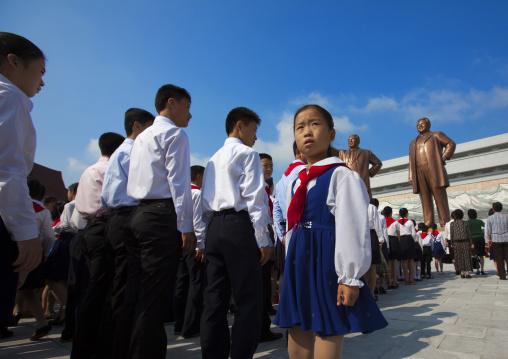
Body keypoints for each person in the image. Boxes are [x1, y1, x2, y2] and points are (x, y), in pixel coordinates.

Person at [274, 104, 387, 358]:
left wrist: (349, 276)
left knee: (327, 325)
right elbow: (292, 224)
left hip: (326, 259)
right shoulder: (297, 180)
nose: (307, 132)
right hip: (299, 258)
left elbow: (352, 226)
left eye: (315, 124)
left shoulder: (342, 176)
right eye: (299, 127)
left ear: (332, 133)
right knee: (297, 323)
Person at [126, 84, 196, 359]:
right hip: (160, 216)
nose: (190, 116)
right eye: (188, 108)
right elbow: (179, 183)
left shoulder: (141, 138)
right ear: (172, 103)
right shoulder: (175, 134)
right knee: (155, 298)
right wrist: (186, 226)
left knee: (136, 294)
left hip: (137, 216)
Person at [200, 107, 272, 359]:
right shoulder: (247, 154)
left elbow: (204, 205)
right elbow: (255, 199)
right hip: (238, 227)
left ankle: (213, 355)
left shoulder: (212, 159)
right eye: (254, 130)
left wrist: (202, 239)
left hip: (214, 229)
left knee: (214, 300)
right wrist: (263, 238)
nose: (255, 137)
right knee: (248, 299)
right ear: (239, 126)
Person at [0, 32, 46, 339]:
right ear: (14, 62)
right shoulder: (11, 96)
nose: (42, 83)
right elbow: (7, 170)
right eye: (40, 72)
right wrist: (27, 233)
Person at [99, 108, 154, 358]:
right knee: (128, 287)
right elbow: (145, 187)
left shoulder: (117, 153)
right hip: (128, 216)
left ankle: (113, 343)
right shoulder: (133, 150)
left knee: (119, 286)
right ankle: (120, 347)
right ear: (137, 127)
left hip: (115, 219)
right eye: (150, 127)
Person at [71, 132, 125, 359]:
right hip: (105, 227)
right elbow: (114, 199)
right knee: (101, 291)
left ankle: (84, 343)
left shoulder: (87, 171)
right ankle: (93, 346)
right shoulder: (109, 169)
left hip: (88, 229)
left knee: (92, 288)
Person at [172, 165, 207, 339]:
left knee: (181, 282)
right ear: (199, 177)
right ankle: (192, 325)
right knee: (197, 283)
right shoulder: (197, 194)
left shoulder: (181, 195)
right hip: (194, 244)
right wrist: (201, 244)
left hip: (180, 243)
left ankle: (179, 323)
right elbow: (198, 221)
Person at [408, 117, 456, 227]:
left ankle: (444, 222)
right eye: (418, 124)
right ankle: (428, 223)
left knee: (439, 197)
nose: (420, 126)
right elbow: (411, 161)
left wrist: (442, 158)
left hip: (433, 169)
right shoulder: (412, 143)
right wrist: (411, 175)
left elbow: (450, 144)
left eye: (422, 124)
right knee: (425, 198)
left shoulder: (436, 135)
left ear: (428, 125)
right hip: (419, 171)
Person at [272, 141, 307, 289]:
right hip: (306, 227)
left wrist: (282, 235)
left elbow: (276, 210)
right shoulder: (305, 171)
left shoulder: (281, 179)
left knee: (291, 272)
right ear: (299, 151)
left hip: (289, 229)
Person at [45, 182, 80, 327]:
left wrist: (52, 229)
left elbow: (66, 224)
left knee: (51, 277)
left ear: (72, 191)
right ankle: (63, 312)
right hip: (77, 240)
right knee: (65, 279)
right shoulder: (86, 203)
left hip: (65, 240)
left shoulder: (70, 205)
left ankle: (66, 308)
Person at [332, 134, 382, 198]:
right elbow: (329, 149)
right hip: (347, 183)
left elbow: (378, 164)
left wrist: (368, 173)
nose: (350, 141)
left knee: (363, 201)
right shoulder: (342, 153)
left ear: (358, 141)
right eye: (348, 140)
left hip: (362, 183)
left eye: (352, 139)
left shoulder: (366, 153)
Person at [366, 198, 384, 298]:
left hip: (360, 236)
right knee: (373, 266)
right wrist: (380, 239)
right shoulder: (371, 207)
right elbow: (377, 224)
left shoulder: (355, 204)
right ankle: (371, 293)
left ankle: (366, 294)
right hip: (371, 235)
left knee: (364, 265)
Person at [486, 202, 508, 280]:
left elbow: (488, 230)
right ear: (501, 208)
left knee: (499, 258)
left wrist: (489, 239)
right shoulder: (506, 216)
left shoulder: (490, 218)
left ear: (494, 209)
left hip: (496, 239)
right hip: (506, 238)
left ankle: (502, 275)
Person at [450, 209, 473, 278]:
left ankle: (462, 273)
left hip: (456, 242)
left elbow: (452, 234)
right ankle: (467, 272)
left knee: (459, 257)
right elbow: (469, 233)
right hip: (465, 241)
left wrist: (452, 242)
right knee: (466, 256)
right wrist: (471, 242)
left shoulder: (452, 224)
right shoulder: (465, 223)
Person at [381, 206, 400, 289]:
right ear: (391, 213)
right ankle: (394, 282)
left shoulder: (382, 221)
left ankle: (388, 281)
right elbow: (398, 234)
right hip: (394, 241)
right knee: (394, 262)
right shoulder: (395, 223)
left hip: (386, 240)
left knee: (388, 262)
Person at [398, 208, 416, 285]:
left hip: (402, 240)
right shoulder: (410, 222)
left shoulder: (397, 222)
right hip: (409, 239)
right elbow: (414, 233)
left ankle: (406, 278)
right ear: (407, 214)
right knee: (411, 260)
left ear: (399, 214)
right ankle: (412, 278)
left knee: (404, 261)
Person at [467, 209, 486, 275]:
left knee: (475, 255)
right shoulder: (479, 221)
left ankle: (477, 269)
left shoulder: (467, 222)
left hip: (472, 239)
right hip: (480, 238)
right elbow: (486, 226)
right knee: (481, 255)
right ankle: (482, 270)